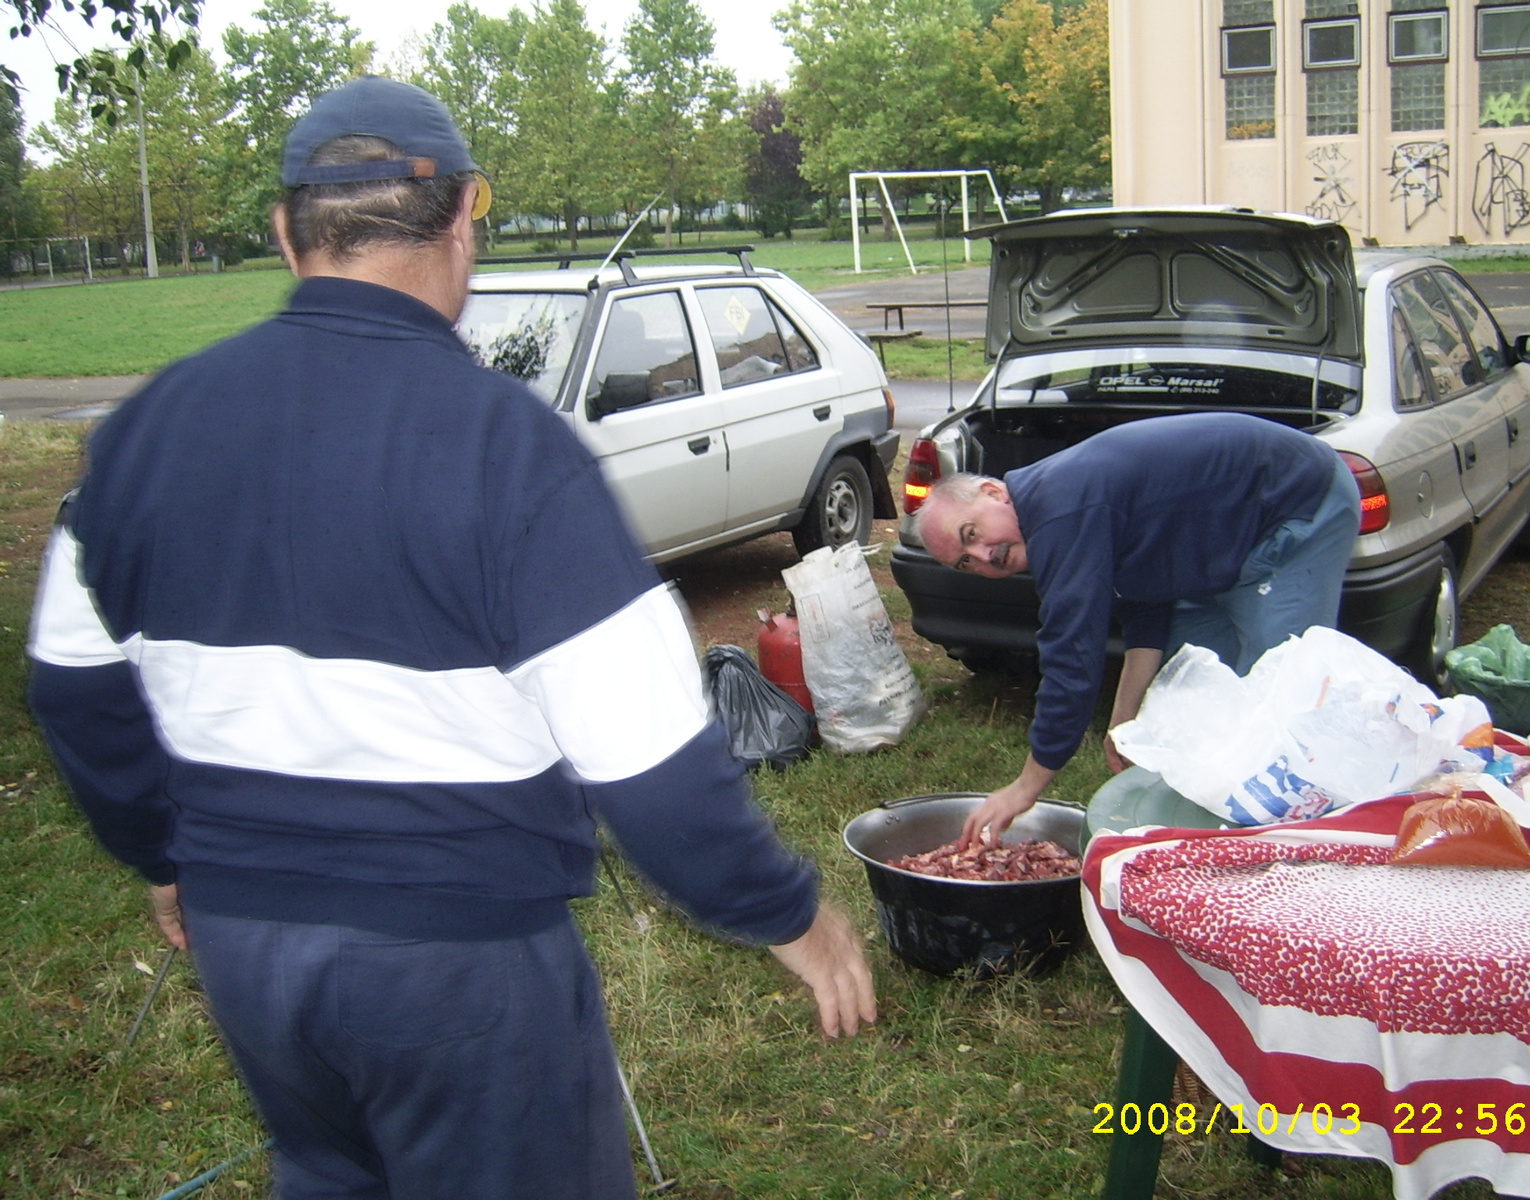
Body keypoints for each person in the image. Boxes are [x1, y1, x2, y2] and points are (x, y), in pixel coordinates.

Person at [27, 76, 874, 1200]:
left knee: (331, 1173)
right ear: (468, 214)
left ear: (286, 232)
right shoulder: (511, 450)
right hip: (459, 963)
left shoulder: (141, 429)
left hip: (249, 947)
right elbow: (650, 763)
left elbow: (76, 687)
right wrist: (788, 915)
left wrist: (164, 857)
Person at [908, 412, 1361, 847]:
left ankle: (1303, 840)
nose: (984, 557)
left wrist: (1027, 786)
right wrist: (1124, 718)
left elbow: (1072, 654)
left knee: (1279, 694)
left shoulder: (1060, 508)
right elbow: (1144, 605)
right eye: (966, 563)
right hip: (1222, 544)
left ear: (993, 492)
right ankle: (1215, 831)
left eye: (971, 535)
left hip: (1294, 502)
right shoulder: (1059, 513)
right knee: (1193, 702)